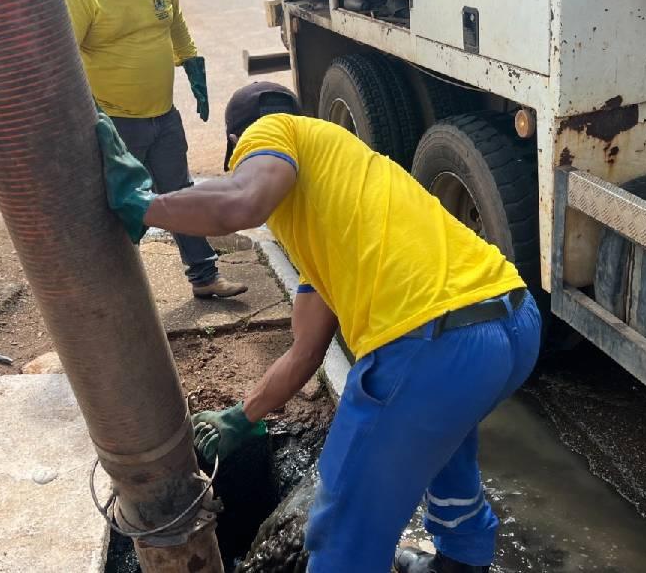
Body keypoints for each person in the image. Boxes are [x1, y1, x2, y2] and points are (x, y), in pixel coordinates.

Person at [95, 82, 542, 573]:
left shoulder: (273, 129)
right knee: (444, 438)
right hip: (514, 322)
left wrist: (146, 203)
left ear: (238, 143)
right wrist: (242, 417)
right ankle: (461, 562)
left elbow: (241, 203)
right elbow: (306, 352)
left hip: (435, 343)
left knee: (342, 525)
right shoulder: (340, 195)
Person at [63, 0, 246, 299]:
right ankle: (113, 294)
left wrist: (192, 64)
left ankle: (204, 276)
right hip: (115, 123)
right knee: (118, 207)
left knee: (180, 195)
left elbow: (175, 23)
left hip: (163, 115)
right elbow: (65, 59)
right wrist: (89, 114)